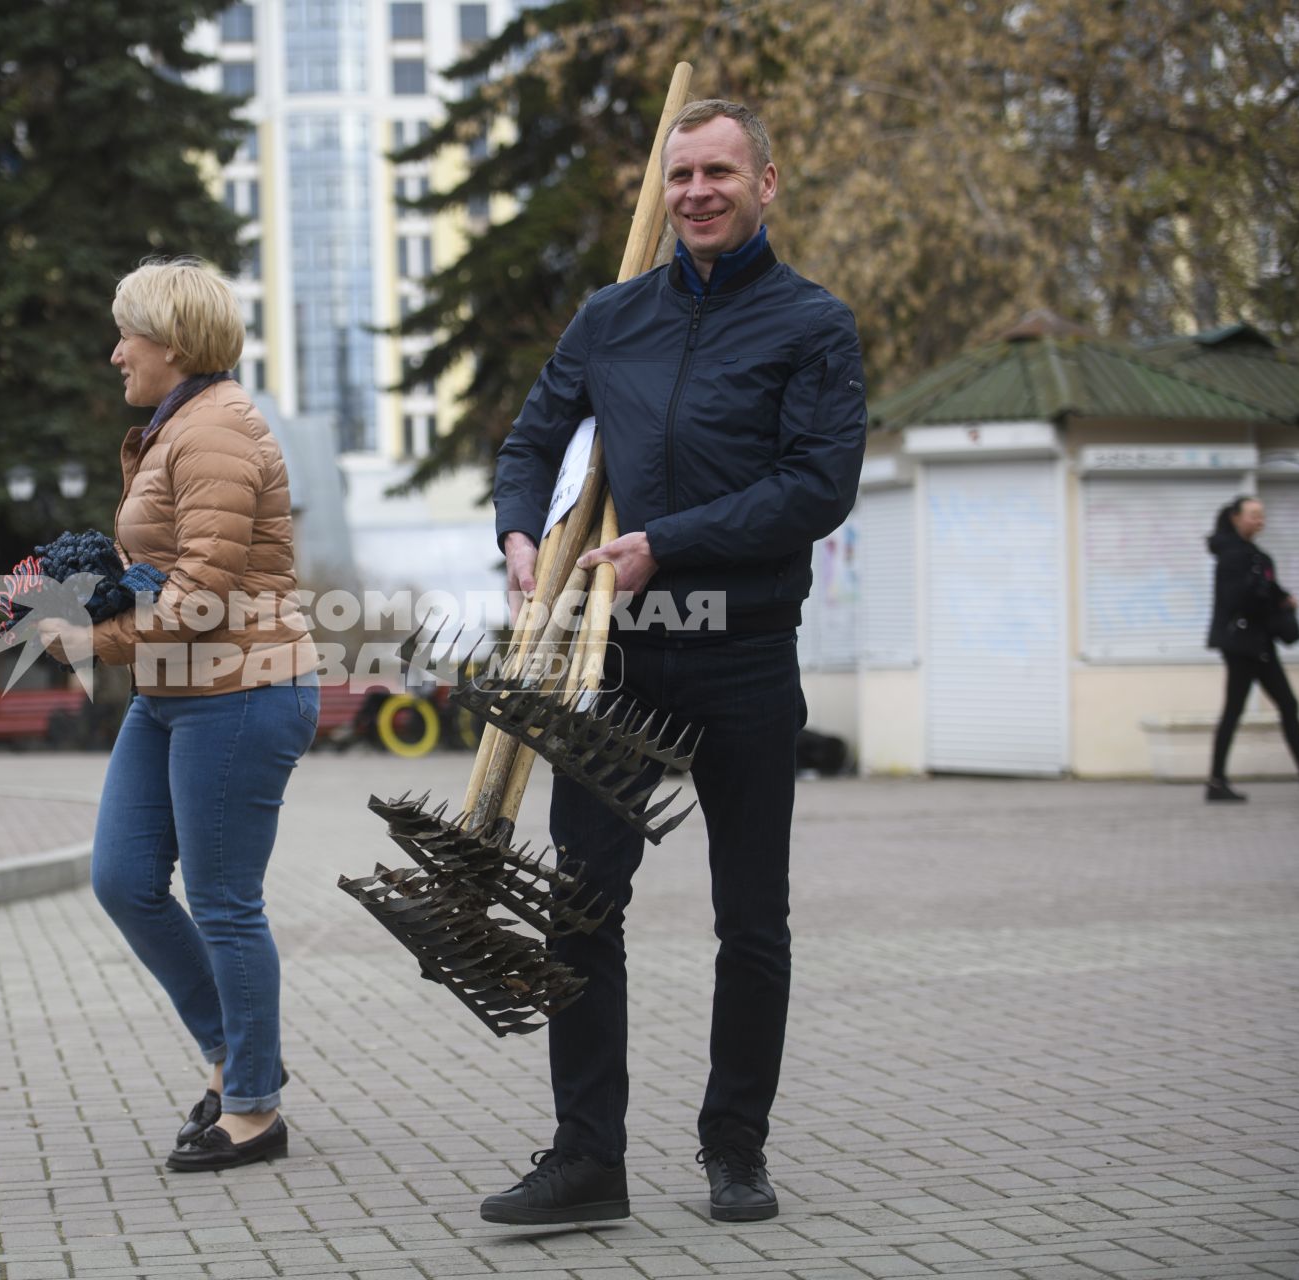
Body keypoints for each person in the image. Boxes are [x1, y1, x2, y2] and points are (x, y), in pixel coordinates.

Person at [480, 100, 867, 1225]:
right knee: (580, 903)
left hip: (743, 651)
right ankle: (587, 1157)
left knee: (751, 919)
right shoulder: (611, 318)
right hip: (618, 659)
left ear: (766, 183)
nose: (699, 191)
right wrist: (517, 529)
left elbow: (816, 486)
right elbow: (531, 438)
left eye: (720, 172)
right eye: (681, 173)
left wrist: (671, 542)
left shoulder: (812, 324)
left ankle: (734, 1146)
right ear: (665, 189)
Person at [44, 257, 318, 1175]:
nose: (115, 350)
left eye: (127, 333)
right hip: (174, 691)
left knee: (226, 904)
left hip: (241, 690)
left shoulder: (216, 435)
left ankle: (253, 1107)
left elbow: (204, 588)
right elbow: (169, 570)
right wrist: (83, 599)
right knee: (123, 877)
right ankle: (238, 1054)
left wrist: (93, 642)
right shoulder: (177, 428)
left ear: (173, 341)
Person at [1204, 495, 1299, 801]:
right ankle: (1216, 781)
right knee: (1284, 705)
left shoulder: (1252, 554)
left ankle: (1216, 782)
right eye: (1253, 515)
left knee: (1241, 709)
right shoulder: (1235, 556)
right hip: (1245, 645)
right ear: (1235, 518)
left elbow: (1263, 589)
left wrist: (1280, 597)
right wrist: (1272, 600)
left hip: (1253, 643)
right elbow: (1239, 600)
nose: (1259, 520)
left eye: (1262, 515)